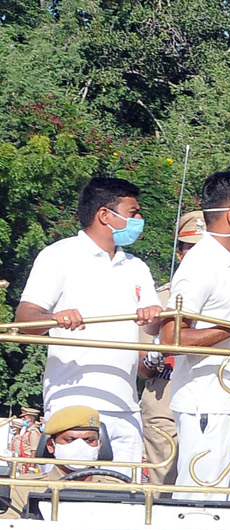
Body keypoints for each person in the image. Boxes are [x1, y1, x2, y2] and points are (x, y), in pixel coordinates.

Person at [16, 176, 163, 467]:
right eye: (133, 213)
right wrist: (54, 319)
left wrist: (154, 318)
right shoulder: (58, 256)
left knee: (125, 493)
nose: (140, 220)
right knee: (69, 490)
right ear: (105, 215)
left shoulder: (137, 267)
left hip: (125, 403)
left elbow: (153, 328)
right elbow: (24, 319)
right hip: (73, 399)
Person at [162, 172, 230, 498]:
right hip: (205, 400)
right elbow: (173, 338)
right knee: (200, 495)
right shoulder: (200, 263)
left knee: (225, 497)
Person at [142, 211, 205, 486]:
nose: (197, 256)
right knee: (164, 480)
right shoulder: (161, 298)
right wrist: (159, 350)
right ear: (179, 254)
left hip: (214, 388)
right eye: (190, 248)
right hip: (165, 393)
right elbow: (143, 369)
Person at [0, 405, 126, 518]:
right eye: (70, 440)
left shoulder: (119, 487)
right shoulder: (26, 487)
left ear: (99, 445)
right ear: (51, 446)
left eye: (89, 440)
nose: (80, 446)